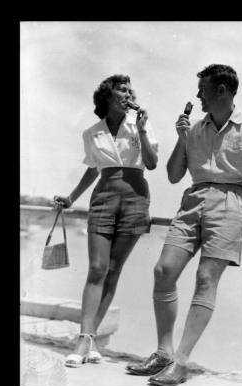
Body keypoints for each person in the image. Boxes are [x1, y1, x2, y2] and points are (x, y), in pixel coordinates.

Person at [126, 64, 242, 386]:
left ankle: (181, 362)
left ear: (221, 91)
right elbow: (174, 175)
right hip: (193, 199)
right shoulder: (195, 130)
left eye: (203, 89)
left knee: (205, 279)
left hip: (232, 202)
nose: (197, 95)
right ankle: (163, 352)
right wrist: (181, 137)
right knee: (163, 271)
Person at [54, 74, 158, 367]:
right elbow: (93, 169)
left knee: (113, 269)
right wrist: (72, 198)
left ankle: (91, 338)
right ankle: (84, 338)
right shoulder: (92, 133)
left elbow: (151, 163)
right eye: (121, 90)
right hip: (103, 199)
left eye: (130, 90)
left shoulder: (141, 125)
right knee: (97, 267)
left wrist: (142, 130)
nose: (128, 94)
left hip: (136, 198)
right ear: (107, 97)